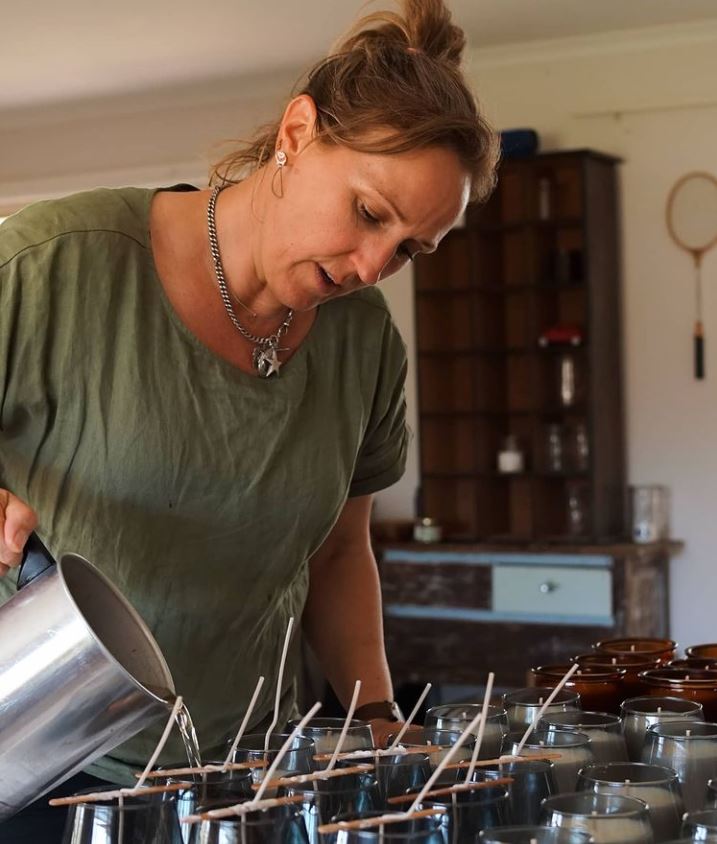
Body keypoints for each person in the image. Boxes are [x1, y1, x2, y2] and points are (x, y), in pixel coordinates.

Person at [0, 0, 498, 838]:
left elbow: (341, 552)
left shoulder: (364, 344)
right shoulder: (53, 264)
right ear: (297, 134)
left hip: (254, 772)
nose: (375, 267)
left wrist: (374, 709)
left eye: (411, 248)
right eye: (370, 215)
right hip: (46, 761)